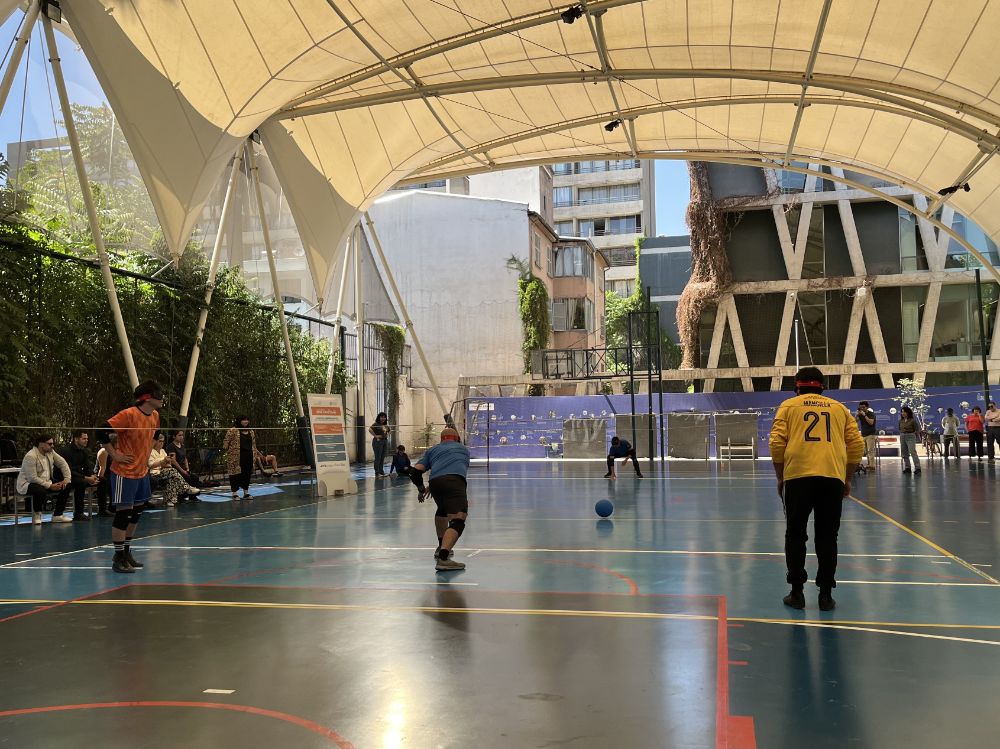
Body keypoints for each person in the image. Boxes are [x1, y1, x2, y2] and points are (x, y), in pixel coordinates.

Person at [769, 367, 863, 612]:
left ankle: (797, 592)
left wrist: (781, 478)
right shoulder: (839, 408)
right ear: (822, 386)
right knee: (828, 537)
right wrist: (847, 478)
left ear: (797, 387)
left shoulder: (788, 406)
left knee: (795, 534)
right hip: (832, 478)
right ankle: (825, 595)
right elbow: (856, 444)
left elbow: (777, 443)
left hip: (797, 478)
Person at [97, 380, 164, 573]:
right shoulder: (128, 415)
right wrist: (115, 455)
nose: (162, 398)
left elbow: (156, 433)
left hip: (141, 472)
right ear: (147, 397)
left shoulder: (155, 415)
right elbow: (102, 431)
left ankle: (126, 552)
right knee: (123, 513)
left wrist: (147, 451)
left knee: (136, 514)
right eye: (158, 394)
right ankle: (118, 557)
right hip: (124, 472)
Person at [409, 427, 469, 571]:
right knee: (458, 520)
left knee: (442, 511)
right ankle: (443, 558)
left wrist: (422, 489)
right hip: (454, 482)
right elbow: (455, 468)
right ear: (457, 439)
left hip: (435, 483)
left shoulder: (432, 450)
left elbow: (415, 472)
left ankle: (440, 546)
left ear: (441, 439)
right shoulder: (463, 449)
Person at [16, 434, 71, 525]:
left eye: (53, 444)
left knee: (67, 485)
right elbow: (32, 478)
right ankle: (37, 514)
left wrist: (66, 479)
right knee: (39, 490)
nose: (52, 446)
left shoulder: (51, 452)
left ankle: (58, 515)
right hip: (28, 484)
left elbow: (63, 463)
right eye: (50, 444)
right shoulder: (31, 456)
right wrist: (50, 486)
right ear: (41, 444)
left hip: (46, 481)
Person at [55, 430, 99, 521]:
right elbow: (68, 470)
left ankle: (103, 510)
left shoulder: (84, 451)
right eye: (84, 439)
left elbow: (87, 467)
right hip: (65, 477)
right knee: (81, 483)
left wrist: (92, 475)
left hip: (79, 476)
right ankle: (78, 513)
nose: (86, 440)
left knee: (102, 480)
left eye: (87, 439)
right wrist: (87, 478)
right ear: (76, 439)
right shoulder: (65, 451)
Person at [148, 432, 201, 506]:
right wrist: (162, 462)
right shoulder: (150, 451)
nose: (162, 443)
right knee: (173, 471)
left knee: (172, 477)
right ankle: (187, 488)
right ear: (155, 441)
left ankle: (169, 500)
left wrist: (167, 463)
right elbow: (151, 465)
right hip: (155, 473)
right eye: (160, 441)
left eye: (163, 441)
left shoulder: (163, 451)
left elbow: (168, 465)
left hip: (164, 471)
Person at [223, 416, 257, 500]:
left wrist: (255, 454)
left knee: (247, 474)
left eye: (247, 420)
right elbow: (225, 444)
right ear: (239, 421)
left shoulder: (251, 431)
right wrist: (231, 451)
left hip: (248, 455)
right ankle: (234, 493)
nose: (246, 421)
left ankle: (246, 493)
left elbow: (254, 444)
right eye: (243, 420)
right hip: (236, 457)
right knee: (235, 474)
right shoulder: (232, 430)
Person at [899, 406, 921, 475]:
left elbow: (917, 429)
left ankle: (918, 468)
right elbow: (900, 428)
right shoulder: (900, 421)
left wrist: (913, 434)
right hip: (902, 437)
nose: (903, 413)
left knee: (912, 452)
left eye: (904, 412)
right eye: (902, 412)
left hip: (910, 436)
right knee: (904, 453)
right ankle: (907, 468)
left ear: (908, 413)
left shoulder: (912, 420)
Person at [93, 445, 114, 517]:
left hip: (110, 473)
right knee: (107, 481)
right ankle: (103, 509)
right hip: (103, 474)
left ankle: (113, 506)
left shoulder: (113, 451)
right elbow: (102, 469)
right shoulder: (104, 451)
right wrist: (97, 482)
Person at [855, 401, 877, 471]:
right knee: (865, 451)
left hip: (870, 434)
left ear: (867, 407)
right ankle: (869, 464)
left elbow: (871, 422)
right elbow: (855, 421)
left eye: (863, 407)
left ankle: (872, 465)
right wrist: (857, 415)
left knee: (870, 450)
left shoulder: (871, 414)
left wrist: (864, 415)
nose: (862, 409)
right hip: (863, 434)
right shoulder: (860, 414)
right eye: (860, 407)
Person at [369, 412, 391, 476]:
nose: (383, 418)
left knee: (382, 457)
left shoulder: (386, 425)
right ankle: (377, 472)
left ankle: (381, 471)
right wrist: (376, 436)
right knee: (378, 457)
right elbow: (370, 429)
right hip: (378, 442)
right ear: (379, 417)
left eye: (384, 417)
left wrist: (387, 435)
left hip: (384, 441)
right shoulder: (376, 424)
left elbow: (390, 431)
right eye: (381, 417)